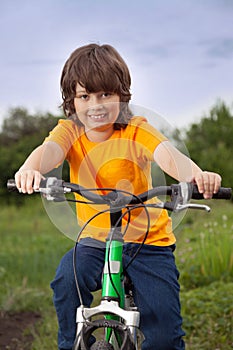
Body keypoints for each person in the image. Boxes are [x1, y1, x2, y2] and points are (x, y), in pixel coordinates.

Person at [15, 43, 221, 350]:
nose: (95, 105)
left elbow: (167, 154)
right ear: (71, 100)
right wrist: (30, 169)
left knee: (164, 334)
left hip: (147, 240)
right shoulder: (70, 131)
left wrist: (195, 175)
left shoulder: (136, 129)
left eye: (105, 95)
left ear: (121, 96)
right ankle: (71, 344)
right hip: (94, 239)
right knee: (66, 279)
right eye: (85, 96)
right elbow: (49, 152)